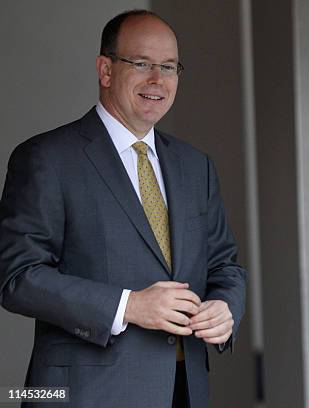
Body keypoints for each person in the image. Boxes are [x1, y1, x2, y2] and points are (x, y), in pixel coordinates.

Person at [0, 10, 246, 408]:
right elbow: (17, 277)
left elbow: (224, 265)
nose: (157, 79)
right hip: (86, 396)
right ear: (106, 70)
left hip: (184, 391)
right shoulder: (46, 158)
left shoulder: (195, 165)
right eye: (142, 63)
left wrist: (225, 307)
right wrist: (129, 306)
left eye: (168, 66)